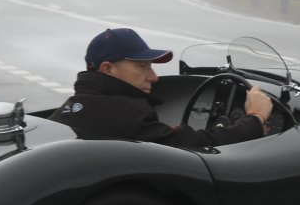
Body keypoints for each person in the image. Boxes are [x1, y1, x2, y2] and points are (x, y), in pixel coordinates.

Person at [55, 28, 272, 148]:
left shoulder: (69, 109)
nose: (154, 77)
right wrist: (255, 118)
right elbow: (192, 147)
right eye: (142, 67)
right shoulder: (128, 114)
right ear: (108, 69)